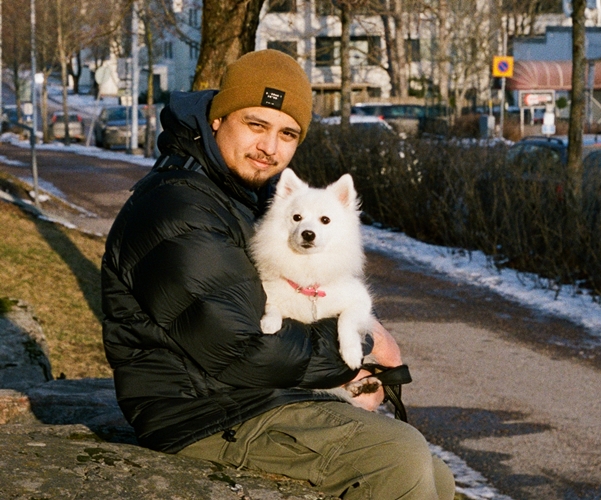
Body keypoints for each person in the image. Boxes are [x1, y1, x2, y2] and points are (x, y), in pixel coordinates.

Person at [101, 49, 455, 500]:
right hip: (199, 413)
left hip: (250, 394)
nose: (270, 147)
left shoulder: (238, 194)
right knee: (397, 456)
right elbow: (242, 346)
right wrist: (363, 345)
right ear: (217, 119)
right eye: (256, 124)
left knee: (436, 474)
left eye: (287, 134)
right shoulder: (179, 208)